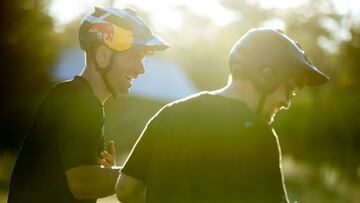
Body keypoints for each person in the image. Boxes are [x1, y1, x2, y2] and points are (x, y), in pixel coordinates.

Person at [115, 28, 329, 203]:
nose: (287, 102)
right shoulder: (258, 135)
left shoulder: (169, 114)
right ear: (267, 75)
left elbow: (125, 189)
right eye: (290, 90)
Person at [8, 6, 169, 203]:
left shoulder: (76, 97)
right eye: (134, 57)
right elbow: (82, 183)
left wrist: (103, 174)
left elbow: (68, 180)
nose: (141, 69)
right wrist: (148, 173)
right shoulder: (81, 101)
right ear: (103, 55)